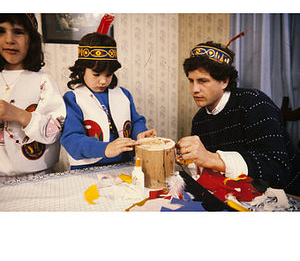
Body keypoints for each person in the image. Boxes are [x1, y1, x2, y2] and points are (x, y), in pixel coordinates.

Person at [176, 39, 300, 196]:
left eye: (203, 81)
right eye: (191, 81)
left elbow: (277, 170)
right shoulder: (199, 119)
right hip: (239, 195)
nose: (194, 89)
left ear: (224, 82)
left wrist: (212, 159)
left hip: (288, 194)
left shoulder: (255, 103)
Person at [61, 32, 157, 170]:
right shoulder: (73, 99)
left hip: (125, 165)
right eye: (96, 74)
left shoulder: (124, 94)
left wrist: (140, 133)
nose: (103, 81)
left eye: (108, 74)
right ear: (82, 70)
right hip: (87, 170)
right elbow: (72, 139)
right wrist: (106, 148)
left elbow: (135, 122)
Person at [0, 13, 66, 182]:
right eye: (1, 31)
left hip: (36, 176)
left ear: (32, 40)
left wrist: (20, 115)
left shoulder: (43, 81)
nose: (9, 40)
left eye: (18, 32)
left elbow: (55, 130)